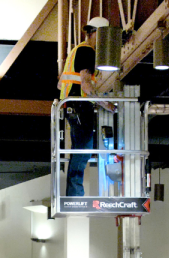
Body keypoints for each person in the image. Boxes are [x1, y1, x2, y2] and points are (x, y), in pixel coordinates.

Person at [58, 18, 104, 197]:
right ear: (97, 34)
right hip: (78, 105)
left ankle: (74, 192)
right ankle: (75, 192)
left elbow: (61, 84)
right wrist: (104, 103)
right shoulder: (87, 50)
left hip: (72, 104)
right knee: (84, 146)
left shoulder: (77, 50)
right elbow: (85, 85)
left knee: (80, 147)